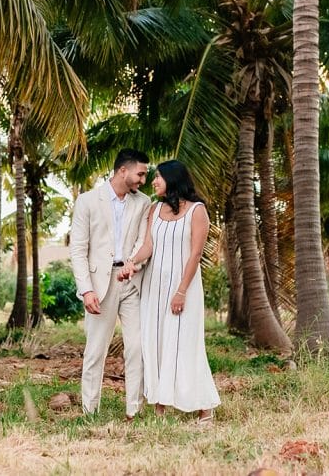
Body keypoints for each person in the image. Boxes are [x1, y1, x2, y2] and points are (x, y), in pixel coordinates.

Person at [120, 160, 220, 422]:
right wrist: (131, 263)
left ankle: (205, 408)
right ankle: (160, 407)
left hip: (182, 287)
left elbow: (195, 254)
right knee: (155, 344)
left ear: (173, 179)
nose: (153, 182)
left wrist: (181, 291)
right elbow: (148, 246)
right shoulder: (155, 209)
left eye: (159, 177)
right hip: (154, 287)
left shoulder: (197, 211)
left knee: (186, 344)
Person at [69, 148, 152, 419]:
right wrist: (86, 289)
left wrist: (133, 265)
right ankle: (90, 410)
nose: (143, 180)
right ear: (122, 171)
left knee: (137, 347)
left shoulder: (143, 203)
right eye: (140, 174)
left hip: (132, 283)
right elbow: (78, 249)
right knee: (95, 350)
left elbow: (143, 240)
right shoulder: (87, 201)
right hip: (98, 285)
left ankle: (134, 411)